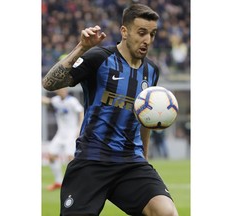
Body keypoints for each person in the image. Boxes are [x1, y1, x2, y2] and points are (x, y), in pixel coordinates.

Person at [42, 3, 179, 216]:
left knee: (165, 212)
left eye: (152, 34)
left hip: (130, 164)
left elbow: (145, 118)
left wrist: (143, 158)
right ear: (124, 31)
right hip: (91, 160)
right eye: (141, 33)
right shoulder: (99, 58)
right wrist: (81, 48)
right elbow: (49, 83)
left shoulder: (152, 71)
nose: (147, 40)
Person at [42, 87, 84, 191]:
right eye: (60, 89)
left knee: (71, 159)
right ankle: (58, 182)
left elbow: (81, 112)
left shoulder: (72, 101)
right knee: (51, 155)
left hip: (71, 133)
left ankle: (78, 183)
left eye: (64, 89)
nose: (63, 90)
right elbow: (46, 101)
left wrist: (79, 128)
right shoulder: (56, 100)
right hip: (60, 134)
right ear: (56, 90)